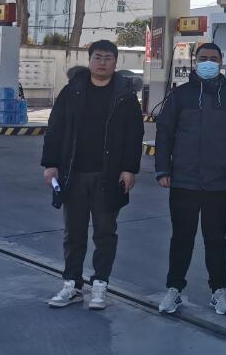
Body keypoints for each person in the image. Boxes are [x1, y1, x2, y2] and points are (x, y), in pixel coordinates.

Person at [41, 39, 144, 310]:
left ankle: (100, 285)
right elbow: (55, 128)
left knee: (105, 232)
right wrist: (50, 164)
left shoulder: (125, 96)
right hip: (73, 173)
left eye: (108, 58)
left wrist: (129, 169)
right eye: (98, 57)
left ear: (115, 63)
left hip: (108, 175)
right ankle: (72, 285)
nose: (102, 63)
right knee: (73, 233)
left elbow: (134, 135)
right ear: (89, 60)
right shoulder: (72, 91)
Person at [155, 42, 226, 316]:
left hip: (218, 183)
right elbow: (164, 134)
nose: (208, 62)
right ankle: (174, 289)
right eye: (203, 58)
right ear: (195, 62)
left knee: (216, 239)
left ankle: (218, 290)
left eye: (213, 58)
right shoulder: (179, 96)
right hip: (183, 181)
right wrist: (163, 169)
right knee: (181, 238)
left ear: (221, 62)